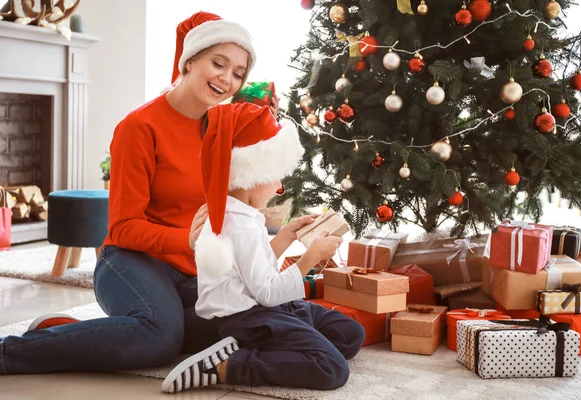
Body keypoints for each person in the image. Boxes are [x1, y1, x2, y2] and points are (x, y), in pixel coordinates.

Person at [0, 11, 310, 375]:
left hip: (194, 270)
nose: (227, 79)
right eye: (218, 63)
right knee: (160, 337)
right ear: (190, 60)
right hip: (130, 260)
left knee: (244, 321)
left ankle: (70, 333)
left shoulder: (225, 128)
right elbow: (125, 227)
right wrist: (190, 240)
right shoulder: (139, 127)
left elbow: (255, 178)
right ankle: (10, 354)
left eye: (238, 73)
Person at [160, 99, 365, 394]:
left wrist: (284, 238)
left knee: (350, 335)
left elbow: (251, 270)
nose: (279, 186)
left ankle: (280, 347)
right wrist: (309, 258)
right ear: (251, 174)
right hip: (249, 317)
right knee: (331, 368)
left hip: (267, 305)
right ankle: (227, 366)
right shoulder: (239, 223)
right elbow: (266, 292)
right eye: (276, 176)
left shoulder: (241, 213)